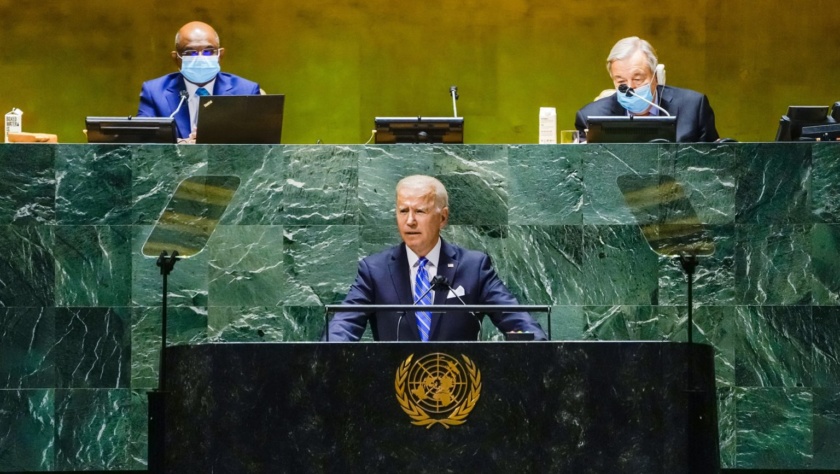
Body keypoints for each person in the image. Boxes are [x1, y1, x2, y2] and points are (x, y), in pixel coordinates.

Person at [325, 175, 547, 342]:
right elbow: (343, 325)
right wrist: (324, 352)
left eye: (420, 211)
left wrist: (537, 343)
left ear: (443, 218)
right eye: (403, 211)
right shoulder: (375, 270)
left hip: (460, 389)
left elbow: (516, 319)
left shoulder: (473, 267)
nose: (410, 221)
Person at [575, 36, 719, 143]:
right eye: (621, 82)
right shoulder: (589, 117)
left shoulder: (694, 107)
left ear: (655, 77)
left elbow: (715, 165)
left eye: (638, 79)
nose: (630, 88)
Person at [136, 21, 261, 143]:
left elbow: (259, 143)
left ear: (220, 55)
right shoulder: (154, 91)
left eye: (208, 51)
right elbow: (141, 139)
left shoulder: (246, 91)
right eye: (190, 53)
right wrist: (180, 145)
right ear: (176, 59)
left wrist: (215, 140)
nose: (200, 58)